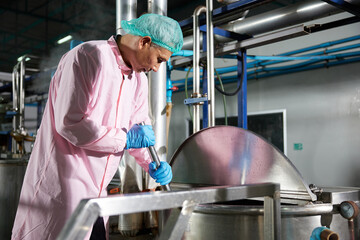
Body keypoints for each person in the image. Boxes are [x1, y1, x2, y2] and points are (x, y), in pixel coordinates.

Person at [11, 13, 183, 240]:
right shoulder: (88, 56)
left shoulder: (138, 79)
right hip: (65, 184)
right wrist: (125, 139)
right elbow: (70, 124)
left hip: (98, 195)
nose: (157, 69)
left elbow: (139, 128)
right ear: (144, 42)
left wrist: (152, 163)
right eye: (159, 60)